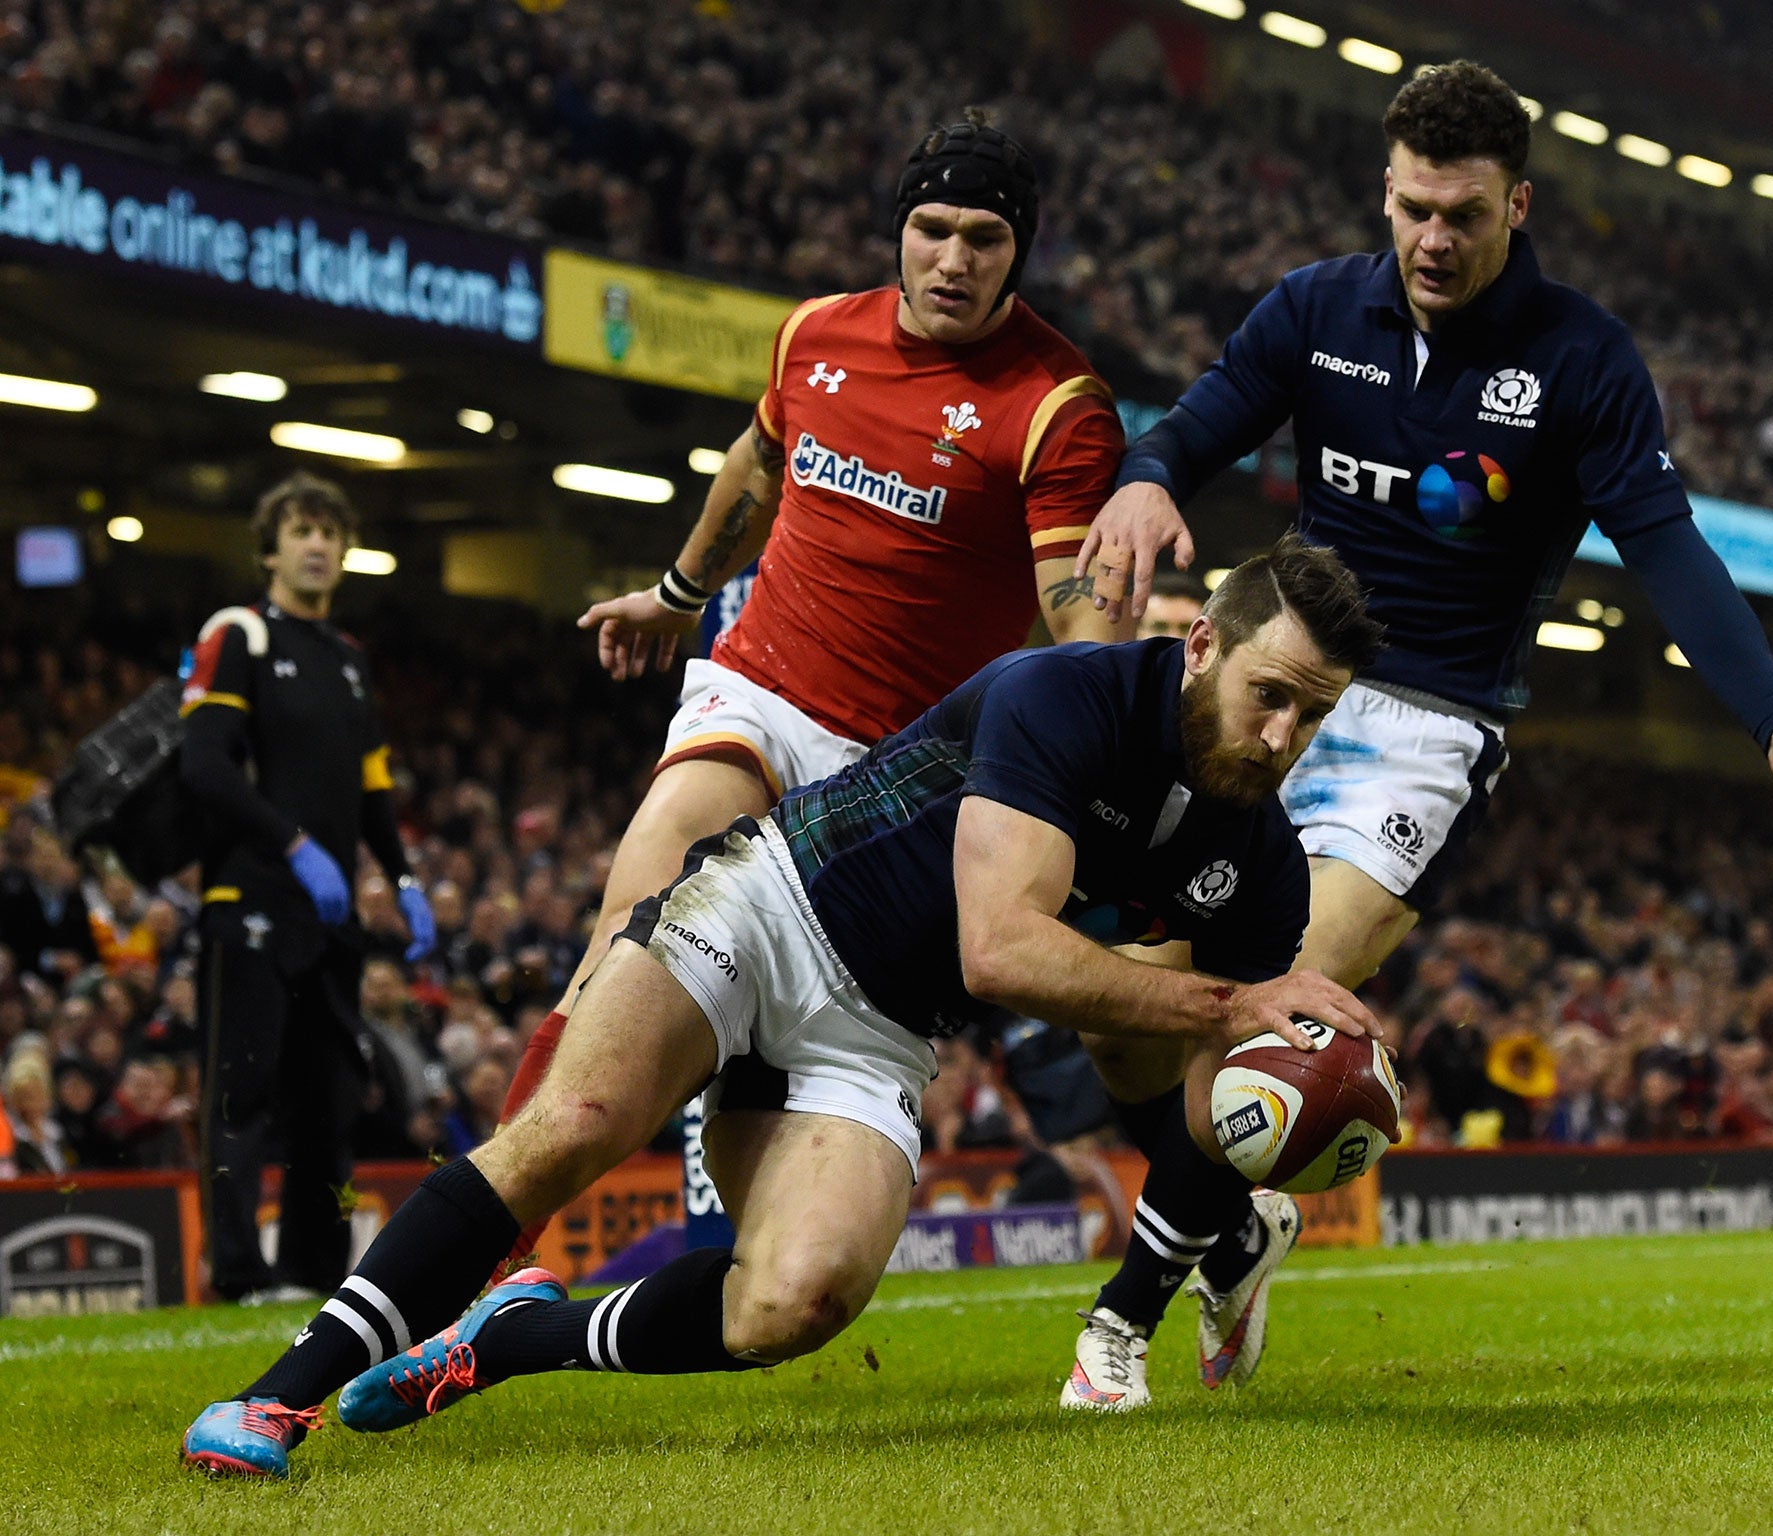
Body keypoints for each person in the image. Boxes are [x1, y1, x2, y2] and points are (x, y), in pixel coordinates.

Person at [178, 534, 1385, 1477]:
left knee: (794, 1301)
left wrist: (1259, 1122)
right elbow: (1001, 953)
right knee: (577, 1122)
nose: (1282, 736)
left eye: (1313, 714)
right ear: (1199, 650)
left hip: (875, 1036)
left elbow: (1205, 1085)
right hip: (768, 905)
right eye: (1269, 693)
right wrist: (1229, 1005)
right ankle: (278, 1395)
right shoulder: (1062, 695)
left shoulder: (1267, 869)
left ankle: (507, 1341)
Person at [1061, 60, 1773, 1407]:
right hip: (1279, 687)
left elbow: (1665, 546)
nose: (1432, 239)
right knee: (1126, 1024)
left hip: (1430, 727)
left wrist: (1771, 715)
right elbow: (1196, 426)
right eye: (1410, 209)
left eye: (1460, 212)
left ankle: (1120, 1325)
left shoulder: (1583, 358)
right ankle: (1236, 1227)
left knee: (1280, 1003)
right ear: (1385, 196)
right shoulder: (1317, 309)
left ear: (1518, 204)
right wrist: (1150, 482)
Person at [488, 113, 1128, 1267]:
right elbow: (760, 460)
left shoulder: (1053, 404)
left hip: (895, 776)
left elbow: (1073, 608)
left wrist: (1100, 715)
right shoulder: (813, 336)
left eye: (983, 238)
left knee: (764, 1109)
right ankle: (487, 1261)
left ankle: (730, 1247)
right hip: (759, 691)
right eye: (930, 230)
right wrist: (678, 594)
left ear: (1018, 249)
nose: (952, 260)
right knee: (619, 943)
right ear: (897, 232)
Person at [178, 472, 436, 1304]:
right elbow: (203, 762)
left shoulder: (352, 664)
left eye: (329, 531)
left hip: (328, 919)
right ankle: (238, 1274)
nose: (317, 544)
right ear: (269, 548)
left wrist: (402, 878)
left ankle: (314, 1274)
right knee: (242, 1089)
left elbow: (371, 796)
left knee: (328, 1101)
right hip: (249, 899)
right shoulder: (240, 633)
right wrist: (292, 843)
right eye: (299, 530)